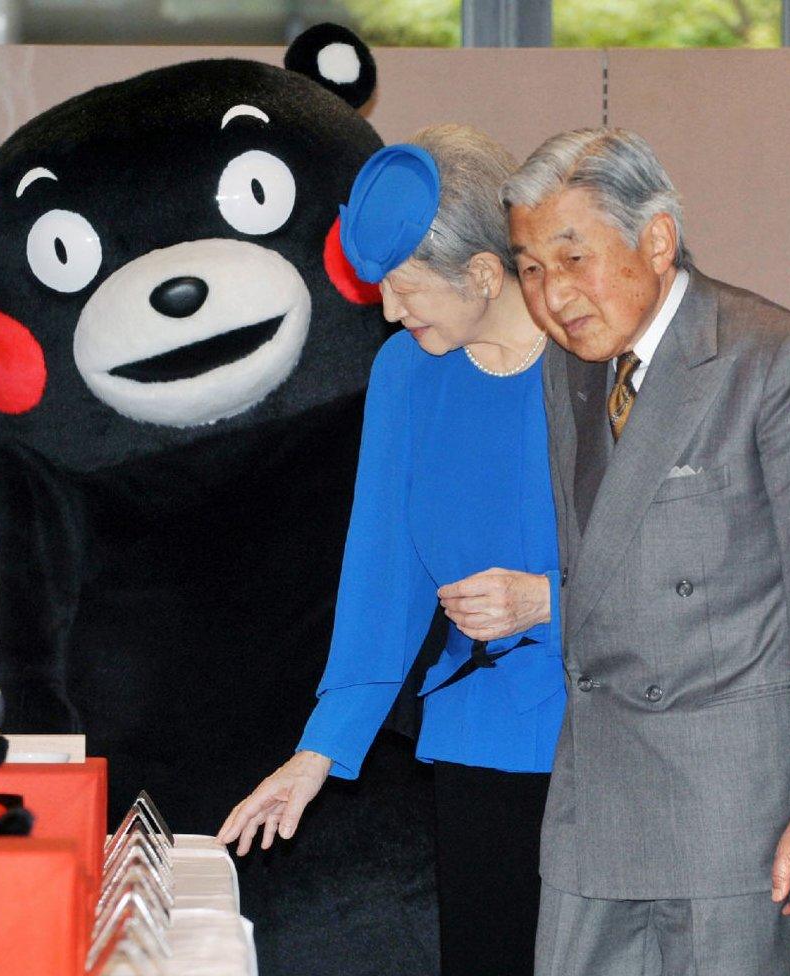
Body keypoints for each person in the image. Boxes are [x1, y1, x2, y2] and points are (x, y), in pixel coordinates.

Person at [501, 127, 790, 976]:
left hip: (735, 809)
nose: (553, 295)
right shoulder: (566, 370)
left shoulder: (772, 357)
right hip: (595, 798)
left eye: (573, 258)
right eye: (530, 268)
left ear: (658, 239)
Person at [218, 124, 566, 976]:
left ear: (485, 275)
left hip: (616, 737)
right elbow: (382, 580)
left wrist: (547, 598)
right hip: (481, 744)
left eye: (407, 291)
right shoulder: (407, 375)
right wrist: (319, 752)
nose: (391, 313)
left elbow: (679, 559)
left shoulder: (592, 362)